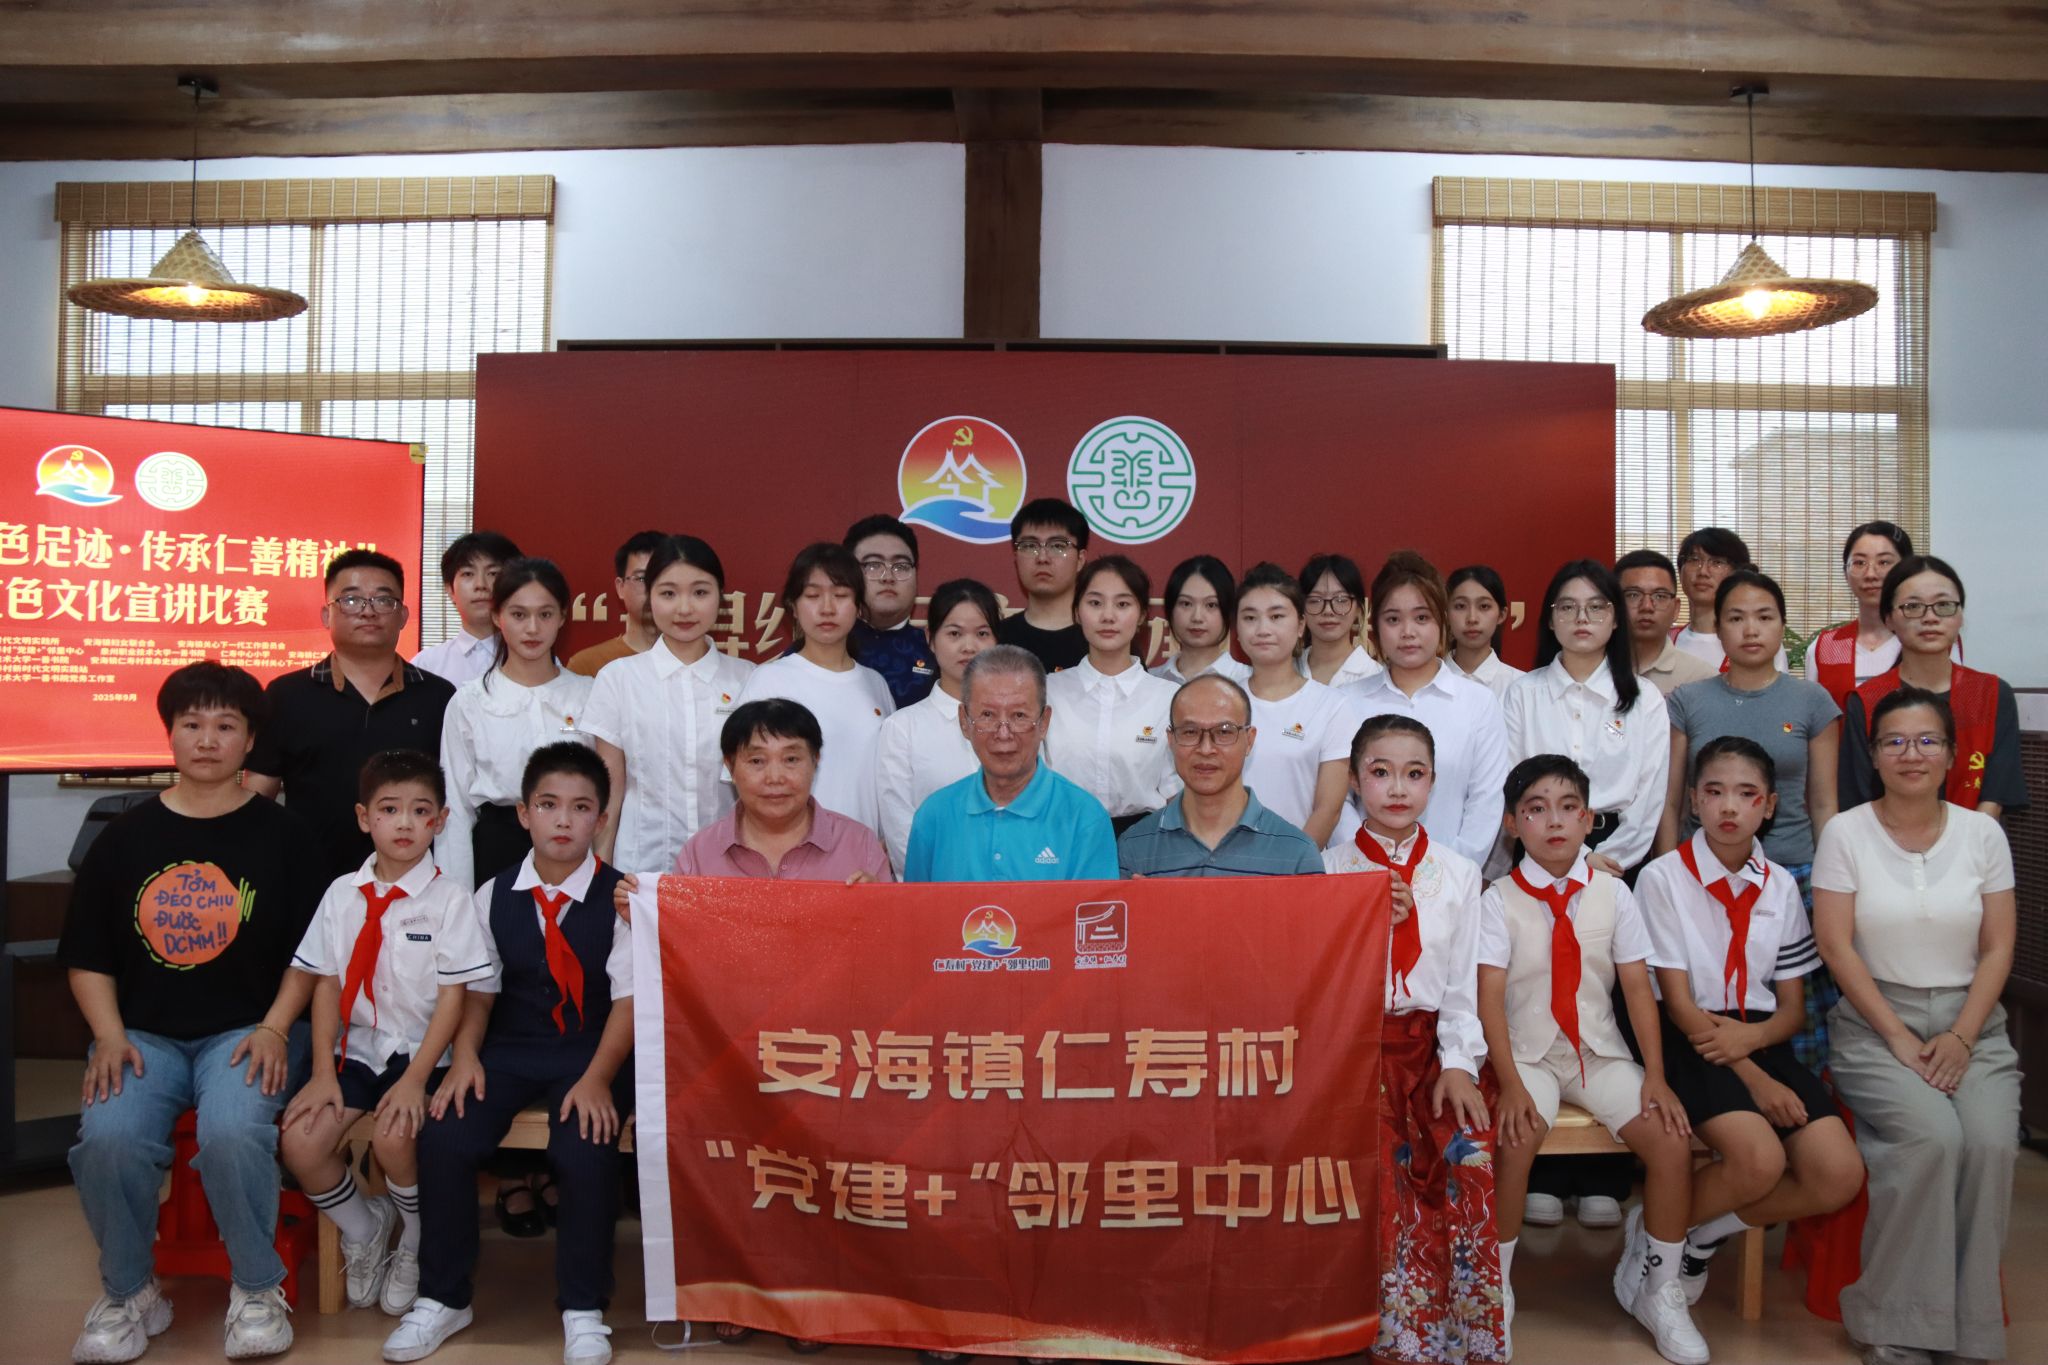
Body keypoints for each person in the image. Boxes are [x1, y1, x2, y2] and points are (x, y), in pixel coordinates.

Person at [61, 662, 328, 1364]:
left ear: (250, 741)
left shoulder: (286, 836)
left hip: (249, 1031)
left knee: (234, 1130)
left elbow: (313, 956)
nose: (208, 740)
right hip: (140, 1034)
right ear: (170, 734)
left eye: (225, 725)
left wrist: (276, 1027)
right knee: (109, 1138)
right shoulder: (124, 837)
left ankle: (258, 1288)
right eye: (192, 724)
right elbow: (86, 955)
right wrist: (108, 1036)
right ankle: (130, 1292)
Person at [389, 744, 634, 1365]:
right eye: (548, 805)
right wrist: (467, 1057)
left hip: (591, 1052)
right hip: (510, 1049)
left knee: (584, 1146)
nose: (563, 820)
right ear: (524, 814)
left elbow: (629, 1002)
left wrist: (599, 1078)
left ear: (602, 819)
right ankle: (443, 1296)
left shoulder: (623, 898)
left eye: (580, 808)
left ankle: (583, 1307)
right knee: (446, 1134)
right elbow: (479, 991)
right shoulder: (493, 894)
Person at [1813, 686, 2021, 1365]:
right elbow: (1836, 946)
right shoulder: (1846, 833)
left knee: (1989, 1143)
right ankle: (1893, 1322)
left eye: (1928, 740)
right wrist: (1899, 1037)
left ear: (1953, 755)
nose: (1912, 754)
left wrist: (1962, 1036)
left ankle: (1971, 1329)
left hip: (1972, 1021)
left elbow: (1998, 946)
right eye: (1895, 741)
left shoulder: (1983, 834)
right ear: (1873, 756)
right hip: (1875, 1022)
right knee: (1933, 1139)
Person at [1476, 755, 1703, 1365]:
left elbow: (1636, 989)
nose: (1554, 821)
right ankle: (1495, 1287)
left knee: (1671, 1139)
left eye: (1567, 807)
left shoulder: (1614, 893)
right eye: (1535, 809)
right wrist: (1507, 1082)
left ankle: (1658, 1288)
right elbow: (1489, 998)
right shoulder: (1497, 900)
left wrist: (1656, 1075)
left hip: (1596, 1053)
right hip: (1526, 1055)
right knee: (1516, 1135)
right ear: (1511, 824)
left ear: (1589, 819)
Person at [1634, 738, 1864, 1312]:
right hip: (1687, 1038)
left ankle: (1698, 1234)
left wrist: (1755, 1044)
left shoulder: (1780, 884)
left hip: (1758, 1036)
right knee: (1759, 1160)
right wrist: (1756, 1079)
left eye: (1746, 794)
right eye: (1714, 792)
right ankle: (1657, 1235)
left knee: (1838, 1174)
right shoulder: (1662, 878)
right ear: (1693, 801)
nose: (1729, 807)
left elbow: (1792, 1009)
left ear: (1770, 805)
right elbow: (1678, 1006)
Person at [279, 750, 494, 1318]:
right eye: (389, 809)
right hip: (356, 1049)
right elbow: (326, 983)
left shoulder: (451, 899)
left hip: (425, 1052)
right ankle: (364, 1226)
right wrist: (322, 1072)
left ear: (440, 821)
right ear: (363, 817)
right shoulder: (340, 895)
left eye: (420, 811)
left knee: (395, 1137)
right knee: (300, 1141)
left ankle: (416, 1239)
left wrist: (416, 1080)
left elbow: (455, 997)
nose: (404, 823)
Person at [1323, 715, 1502, 1364]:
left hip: (1433, 1047)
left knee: (1463, 1146)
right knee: (1374, 1166)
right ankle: (1372, 1327)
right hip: (1354, 1049)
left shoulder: (1458, 873)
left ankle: (1449, 1331)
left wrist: (1457, 1063)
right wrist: (1365, 921)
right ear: (1353, 781)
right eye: (1381, 772)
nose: (1397, 787)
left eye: (1414, 773)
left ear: (1433, 782)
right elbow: (1323, 979)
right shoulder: (1327, 870)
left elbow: (1461, 985)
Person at [1659, 570, 1844, 1074]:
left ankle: (1800, 1103)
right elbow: (1672, 802)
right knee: (1706, 1005)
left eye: (1764, 617)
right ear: (1717, 627)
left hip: (1793, 875)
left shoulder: (1812, 702)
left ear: (1782, 625)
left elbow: (1823, 803)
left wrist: (1830, 883)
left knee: (1801, 1023)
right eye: (1736, 618)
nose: (1750, 629)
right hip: (1703, 878)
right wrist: (1667, 874)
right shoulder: (1688, 700)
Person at [245, 548, 456, 881]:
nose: (368, 611)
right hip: (308, 880)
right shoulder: (286, 695)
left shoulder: (439, 697)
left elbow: (454, 799)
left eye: (383, 600)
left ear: (403, 615)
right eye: (352, 600)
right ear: (326, 614)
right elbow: (258, 798)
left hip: (415, 885)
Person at [583, 534, 754, 875]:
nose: (684, 608)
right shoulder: (618, 679)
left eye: (700, 592)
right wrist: (601, 873)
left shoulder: (748, 679)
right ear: (650, 596)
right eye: (668, 593)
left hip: (730, 870)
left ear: (721, 596)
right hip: (641, 869)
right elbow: (610, 792)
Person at [1342, 551, 1510, 866]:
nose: (1408, 632)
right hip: (1363, 875)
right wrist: (1368, 865)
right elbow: (1338, 801)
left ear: (1442, 622)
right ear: (1374, 627)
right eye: (1393, 619)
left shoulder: (1478, 702)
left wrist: (1447, 875)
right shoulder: (1346, 701)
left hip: (1451, 877)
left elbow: (1486, 802)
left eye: (1422, 618)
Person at [1504, 559, 1668, 876]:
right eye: (1568, 607)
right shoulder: (1522, 694)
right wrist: (1576, 857)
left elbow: (1649, 800)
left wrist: (1603, 859)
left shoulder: (1645, 699)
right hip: (1538, 848)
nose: (1582, 618)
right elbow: (1512, 785)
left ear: (1616, 619)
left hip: (1618, 857)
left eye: (1596, 607)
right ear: (1550, 620)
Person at [440, 558, 595, 891]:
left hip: (576, 847)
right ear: (497, 616)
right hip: (498, 850)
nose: (533, 628)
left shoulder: (589, 694)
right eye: (519, 615)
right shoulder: (470, 702)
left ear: (562, 617)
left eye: (545, 614)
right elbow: (456, 808)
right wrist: (456, 900)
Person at [902, 645, 1117, 882]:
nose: (1003, 734)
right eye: (987, 715)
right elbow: (916, 905)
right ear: (964, 722)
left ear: (1044, 723)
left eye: (1019, 716)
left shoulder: (1084, 818)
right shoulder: (934, 816)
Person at [1838, 555, 2027, 820]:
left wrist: (1963, 841)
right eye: (1913, 606)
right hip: (1886, 839)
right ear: (1889, 619)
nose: (1930, 617)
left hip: (1976, 839)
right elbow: (1857, 799)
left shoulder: (1992, 693)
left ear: (1960, 616)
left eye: (1944, 605)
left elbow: (1995, 795)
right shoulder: (1867, 700)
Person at [735, 542, 895, 831]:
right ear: (793, 607)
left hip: (866, 850)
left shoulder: (876, 684)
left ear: (858, 606)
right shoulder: (769, 681)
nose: (827, 608)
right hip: (792, 849)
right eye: (812, 596)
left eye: (841, 595)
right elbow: (746, 776)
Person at [1116, 675, 1324, 878]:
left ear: (1249, 740)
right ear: (1171, 740)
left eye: (1224, 732)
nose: (1206, 749)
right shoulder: (1134, 848)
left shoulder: (1297, 855)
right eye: (1190, 732)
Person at [1044, 555, 1180, 833]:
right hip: (1060, 835)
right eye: (1095, 603)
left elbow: (1176, 790)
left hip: (1143, 839)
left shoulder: (1168, 698)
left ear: (1141, 615)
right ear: (1077, 612)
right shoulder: (1048, 690)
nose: (1108, 616)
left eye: (1122, 604)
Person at [874, 579, 997, 874]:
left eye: (982, 633)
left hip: (1014, 887)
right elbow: (902, 837)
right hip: (933, 889)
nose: (969, 646)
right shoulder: (902, 729)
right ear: (930, 638)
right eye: (954, 633)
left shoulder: (1019, 724)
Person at [1234, 563, 1356, 849]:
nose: (1263, 629)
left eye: (1276, 616)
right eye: (1250, 618)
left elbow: (1328, 810)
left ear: (1301, 625)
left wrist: (1292, 863)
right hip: (1225, 863)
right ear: (1236, 630)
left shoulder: (1331, 706)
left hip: (1300, 863)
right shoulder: (1221, 703)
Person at [1801, 521, 1921, 708]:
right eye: (1859, 563)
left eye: (1884, 562)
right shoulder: (1825, 648)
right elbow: (1813, 717)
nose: (1870, 574)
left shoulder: (1929, 639)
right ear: (1845, 573)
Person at [845, 513, 939, 709]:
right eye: (873, 565)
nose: (888, 577)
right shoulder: (825, 646)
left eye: (901, 566)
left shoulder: (938, 650)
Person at [1668, 527, 1787, 673]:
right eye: (1694, 560)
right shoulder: (1665, 640)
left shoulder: (1756, 643)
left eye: (1717, 562)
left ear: (1737, 572)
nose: (1703, 571)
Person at [412, 530, 523, 686]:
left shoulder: (535, 660)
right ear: (450, 590)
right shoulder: (425, 665)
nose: (481, 585)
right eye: (468, 574)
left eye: (493, 573)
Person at [996, 497, 1090, 673]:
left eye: (1058, 546)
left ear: (1080, 559)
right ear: (1015, 557)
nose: (1042, 558)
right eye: (1029, 546)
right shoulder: (994, 640)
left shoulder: (1104, 639)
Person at [1617, 549, 1716, 697]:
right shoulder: (1593, 670)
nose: (1646, 607)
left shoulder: (1702, 678)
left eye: (1660, 596)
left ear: (1676, 609)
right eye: (1633, 595)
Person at [566, 530, 664, 679]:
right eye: (642, 579)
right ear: (620, 587)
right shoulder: (587, 666)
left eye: (662, 577)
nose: (652, 589)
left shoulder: (695, 660)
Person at [1150, 554, 1252, 686]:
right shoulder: (1150, 680)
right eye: (1186, 604)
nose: (1197, 617)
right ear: (1170, 609)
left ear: (1228, 611)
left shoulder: (1248, 681)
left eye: (1211, 605)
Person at [1296, 551, 1384, 688]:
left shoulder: (1375, 677)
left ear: (1359, 610)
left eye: (1341, 600)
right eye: (1315, 600)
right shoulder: (1287, 671)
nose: (1328, 610)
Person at [1445, 563, 1523, 700]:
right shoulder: (1427, 681)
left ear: (1501, 615)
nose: (1472, 618)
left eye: (1484, 606)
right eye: (1460, 606)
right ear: (1446, 615)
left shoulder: (1521, 686)